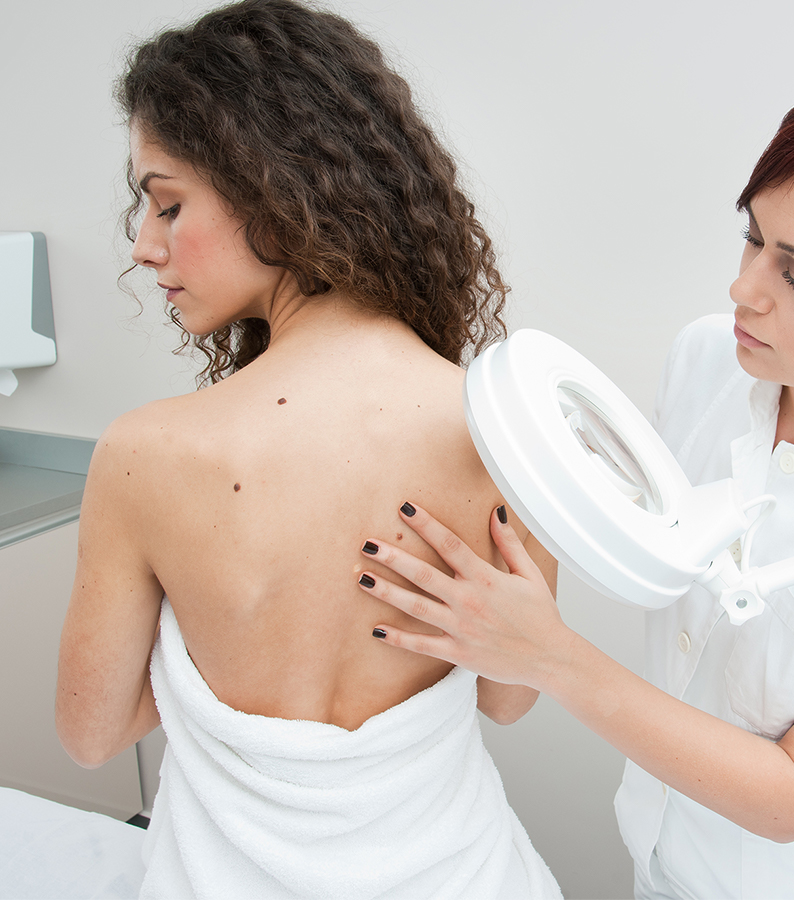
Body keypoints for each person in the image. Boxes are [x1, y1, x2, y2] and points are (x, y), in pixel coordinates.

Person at [354, 59, 794, 898]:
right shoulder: (707, 361)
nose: (743, 289)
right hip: (657, 861)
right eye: (753, 238)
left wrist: (550, 656)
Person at [54, 1, 561, 897]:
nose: (143, 246)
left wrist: (218, 639)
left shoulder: (148, 455)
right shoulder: (508, 426)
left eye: (167, 203)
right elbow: (513, 696)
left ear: (274, 192)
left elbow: (92, 734)